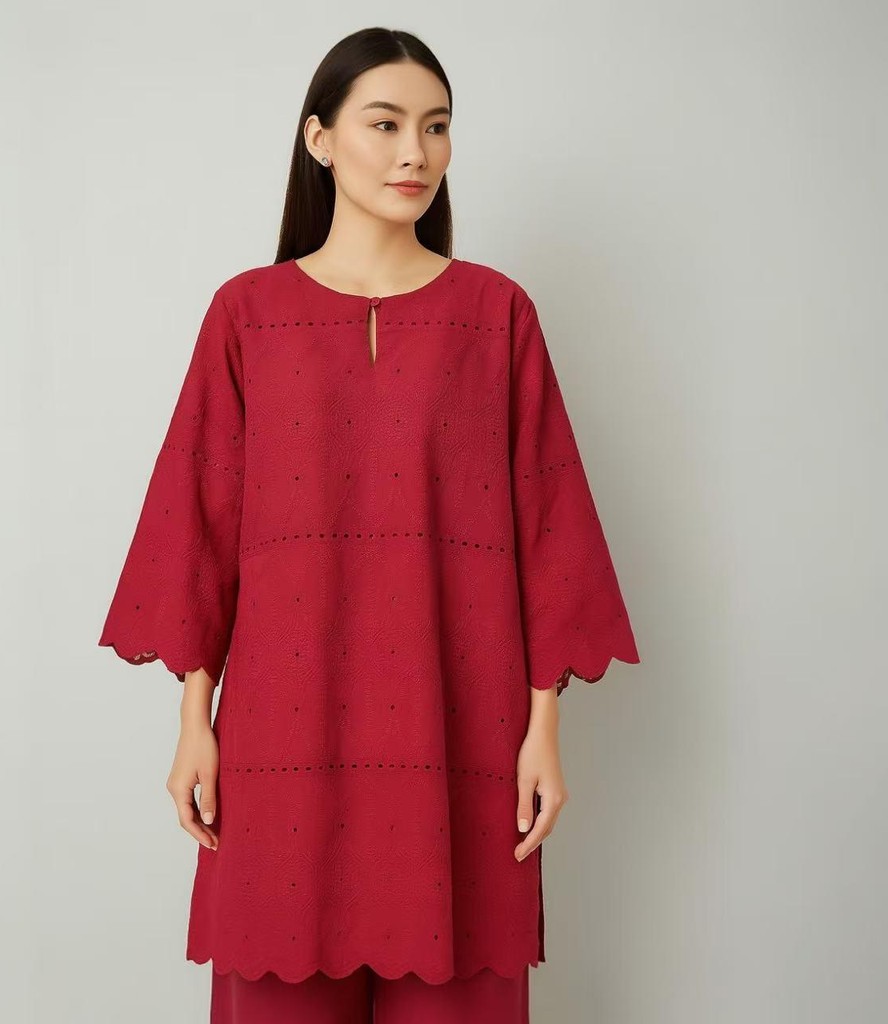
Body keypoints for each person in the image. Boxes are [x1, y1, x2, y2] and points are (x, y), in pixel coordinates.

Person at [98, 26, 640, 1024]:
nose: (414, 153)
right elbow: (198, 527)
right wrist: (193, 722)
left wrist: (544, 732)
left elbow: (550, 530)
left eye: (436, 127)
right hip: (280, 739)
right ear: (319, 139)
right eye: (385, 124)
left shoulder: (497, 316)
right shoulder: (246, 316)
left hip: (466, 738)